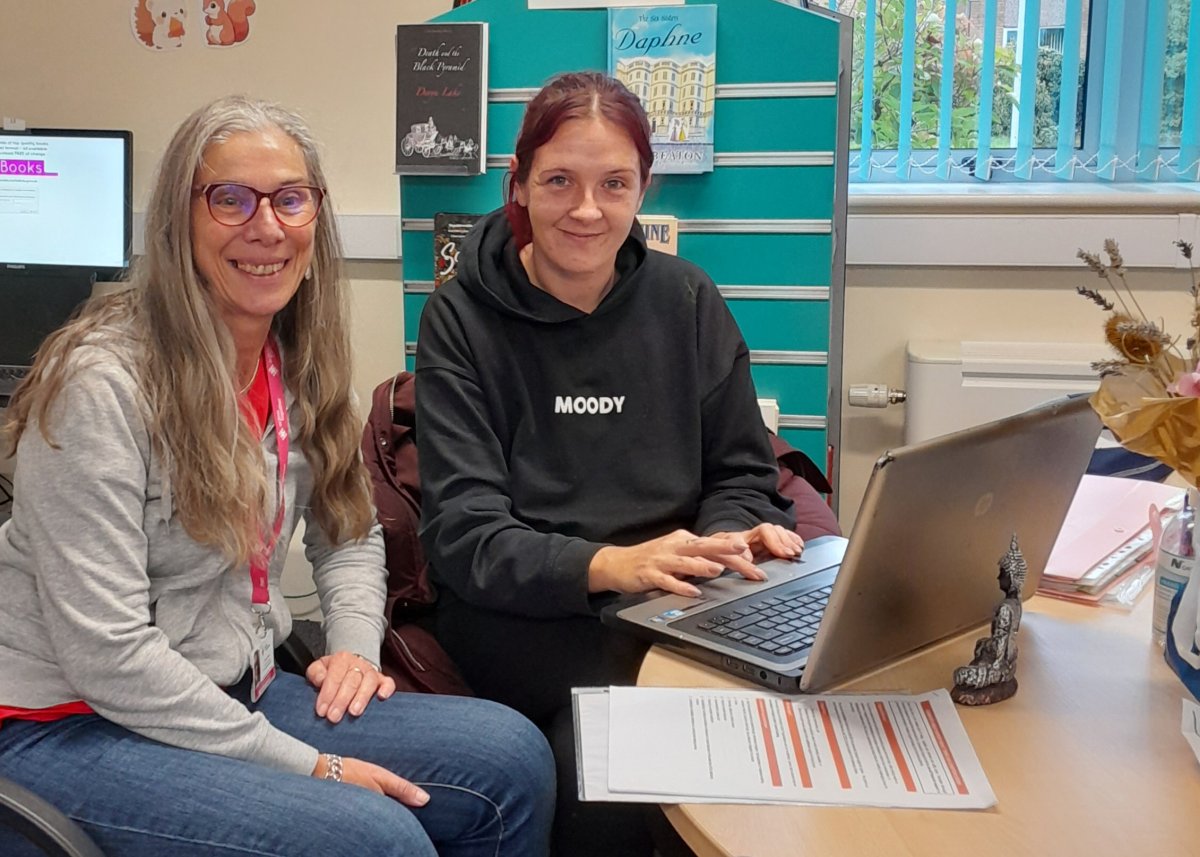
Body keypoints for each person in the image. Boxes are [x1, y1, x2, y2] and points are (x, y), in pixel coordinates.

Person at [0, 96, 554, 857]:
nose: (266, 227)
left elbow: (349, 529)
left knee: (511, 759)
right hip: (67, 722)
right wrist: (312, 766)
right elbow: (110, 657)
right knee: (375, 841)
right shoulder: (101, 386)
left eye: (290, 199)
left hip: (233, 686)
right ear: (178, 219)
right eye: (229, 198)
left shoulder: (291, 358)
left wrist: (355, 651)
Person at [416, 71, 808, 857]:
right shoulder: (458, 319)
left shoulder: (688, 299)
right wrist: (613, 564)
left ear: (642, 188)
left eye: (614, 183)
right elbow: (466, 537)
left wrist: (725, 539)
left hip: (678, 599)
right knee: (608, 772)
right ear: (518, 184)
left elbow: (741, 471)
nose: (588, 210)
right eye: (559, 180)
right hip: (530, 619)